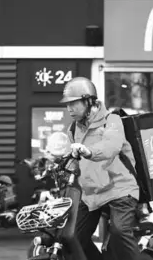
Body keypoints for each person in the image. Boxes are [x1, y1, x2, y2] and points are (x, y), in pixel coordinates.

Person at [60, 77, 142, 260]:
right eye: (67, 105)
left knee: (120, 231)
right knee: (71, 237)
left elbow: (111, 146)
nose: (69, 109)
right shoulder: (73, 129)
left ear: (89, 101)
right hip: (91, 194)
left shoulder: (111, 120)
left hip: (120, 189)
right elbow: (75, 160)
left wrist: (89, 152)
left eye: (74, 103)